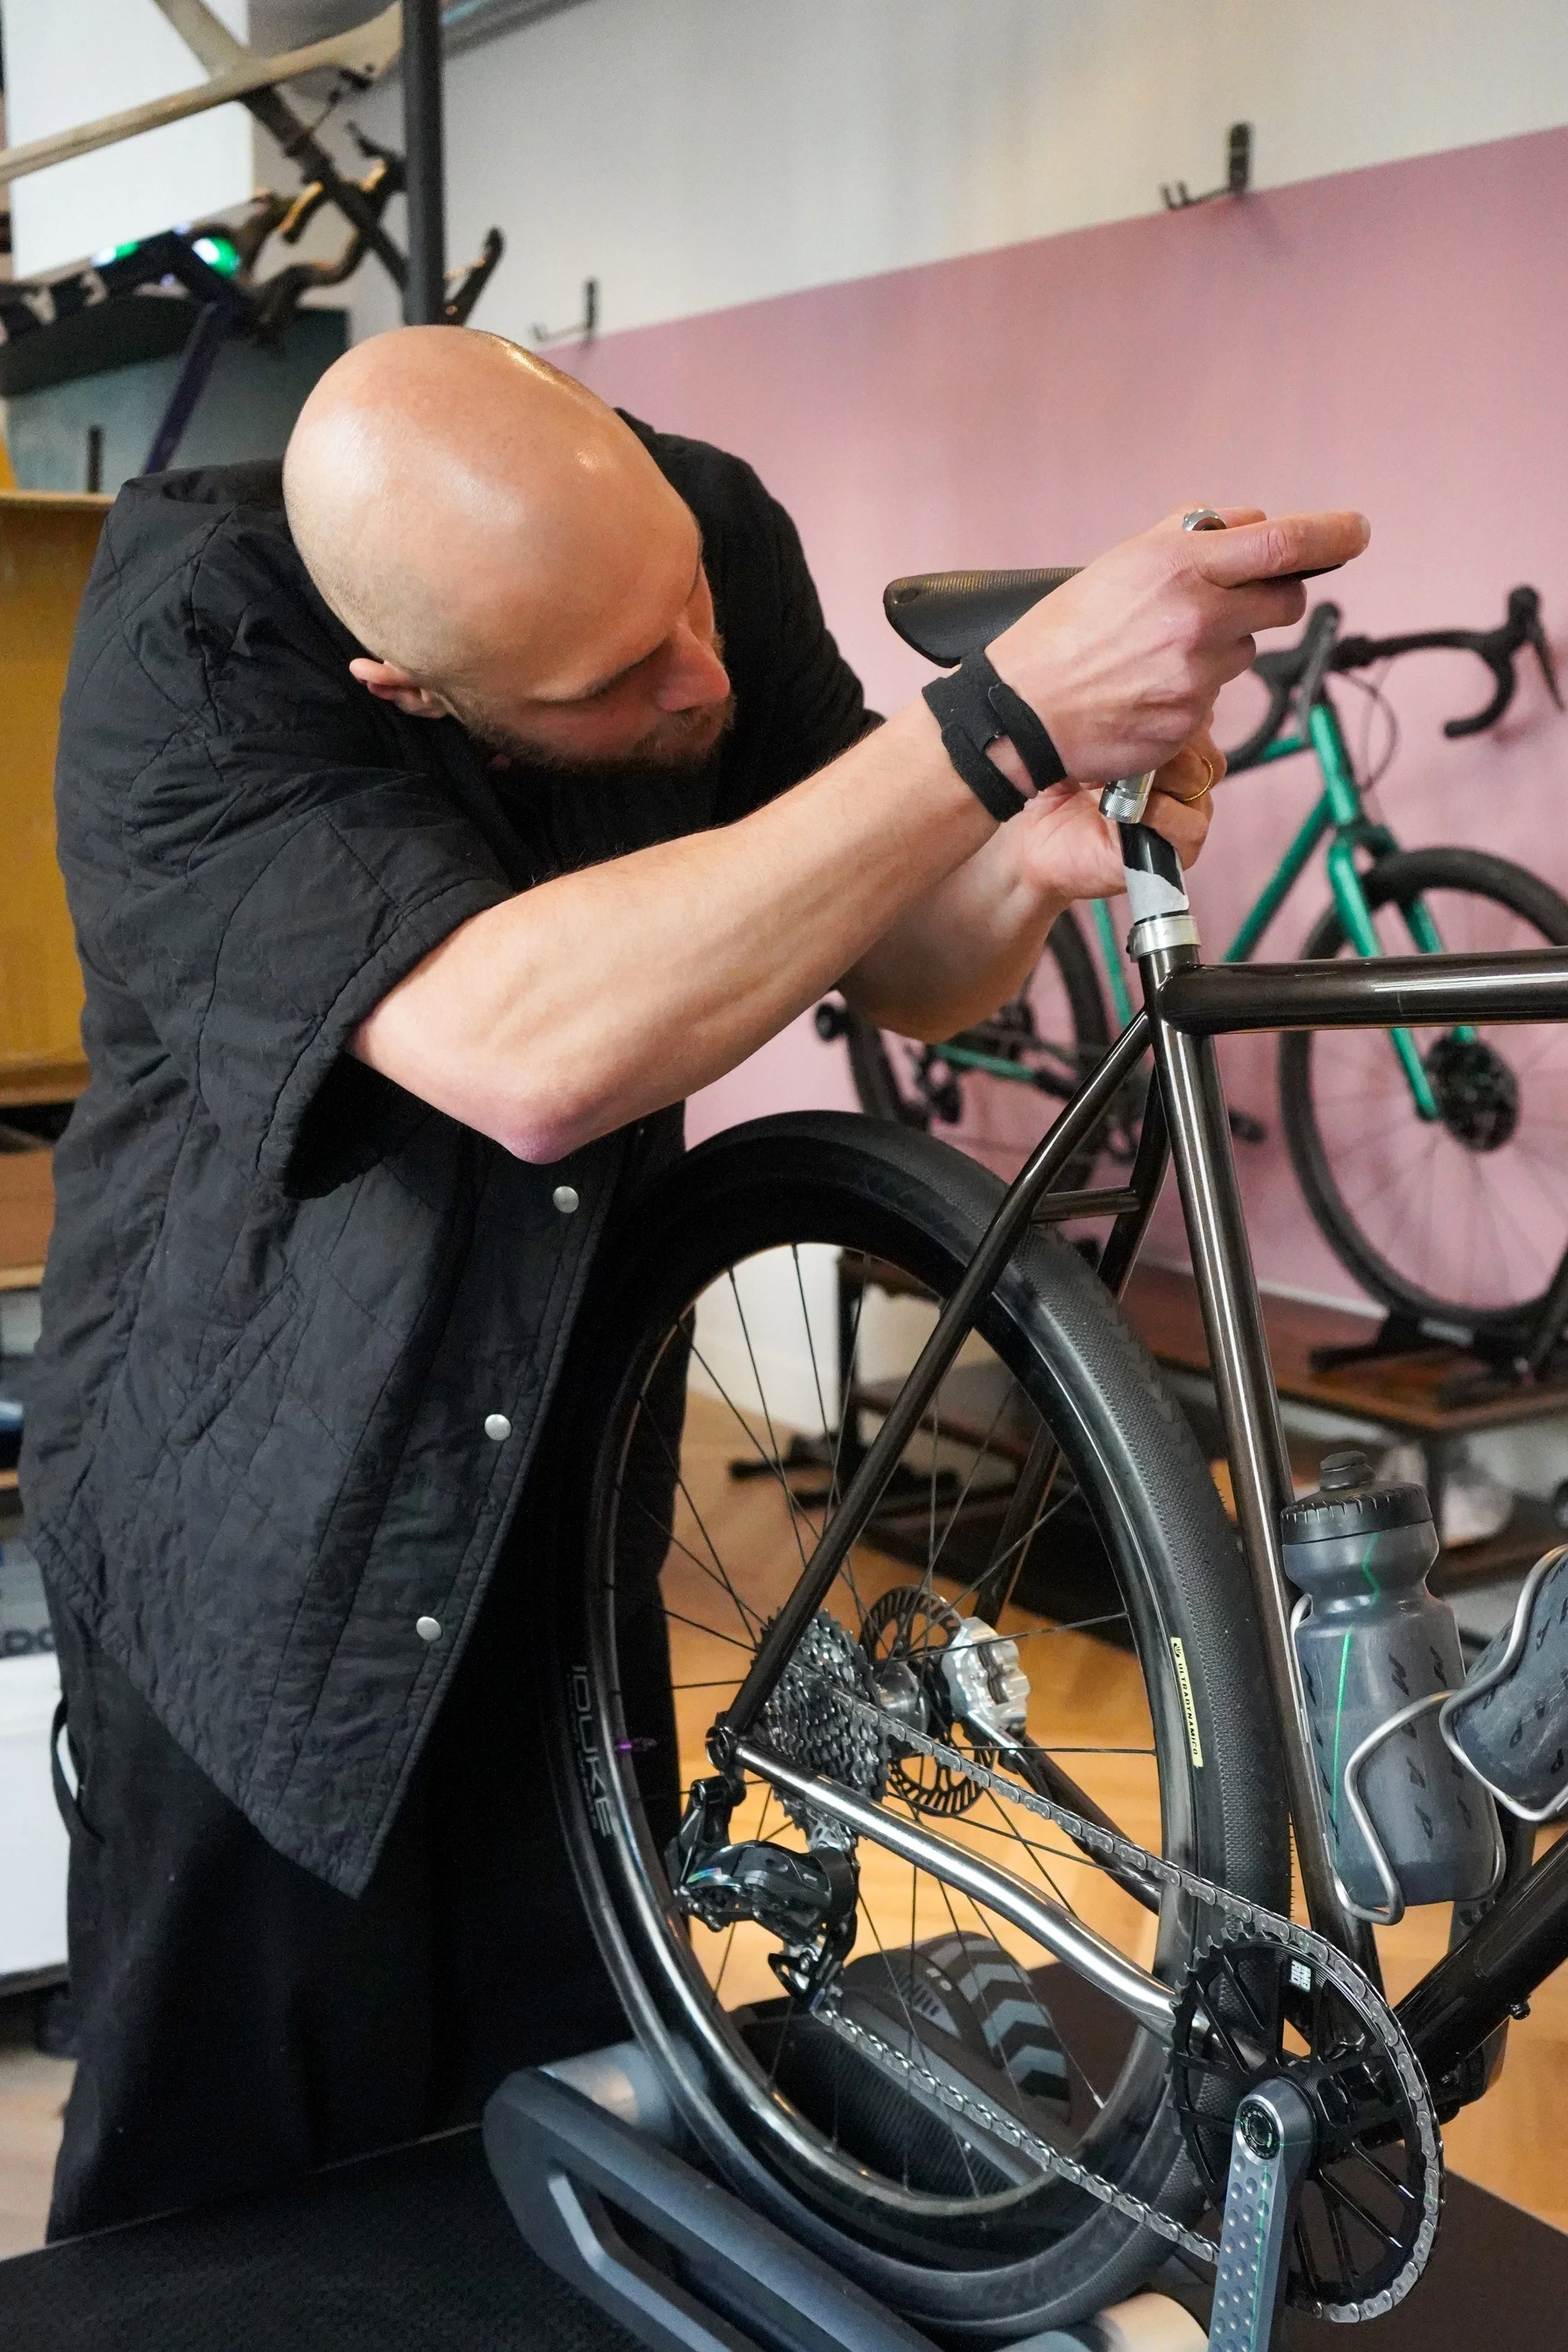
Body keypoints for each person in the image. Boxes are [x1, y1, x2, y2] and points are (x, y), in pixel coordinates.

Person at [22, 324, 1367, 2237]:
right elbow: (528, 1052)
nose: (705, 672)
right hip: (256, 1523)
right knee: (220, 2191)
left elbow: (901, 954)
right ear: (406, 686)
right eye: (622, 678)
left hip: (566, 1488)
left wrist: (1021, 850)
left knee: (574, 2123)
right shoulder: (192, 648)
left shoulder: (699, 534)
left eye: (684, 603)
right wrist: (989, 729)